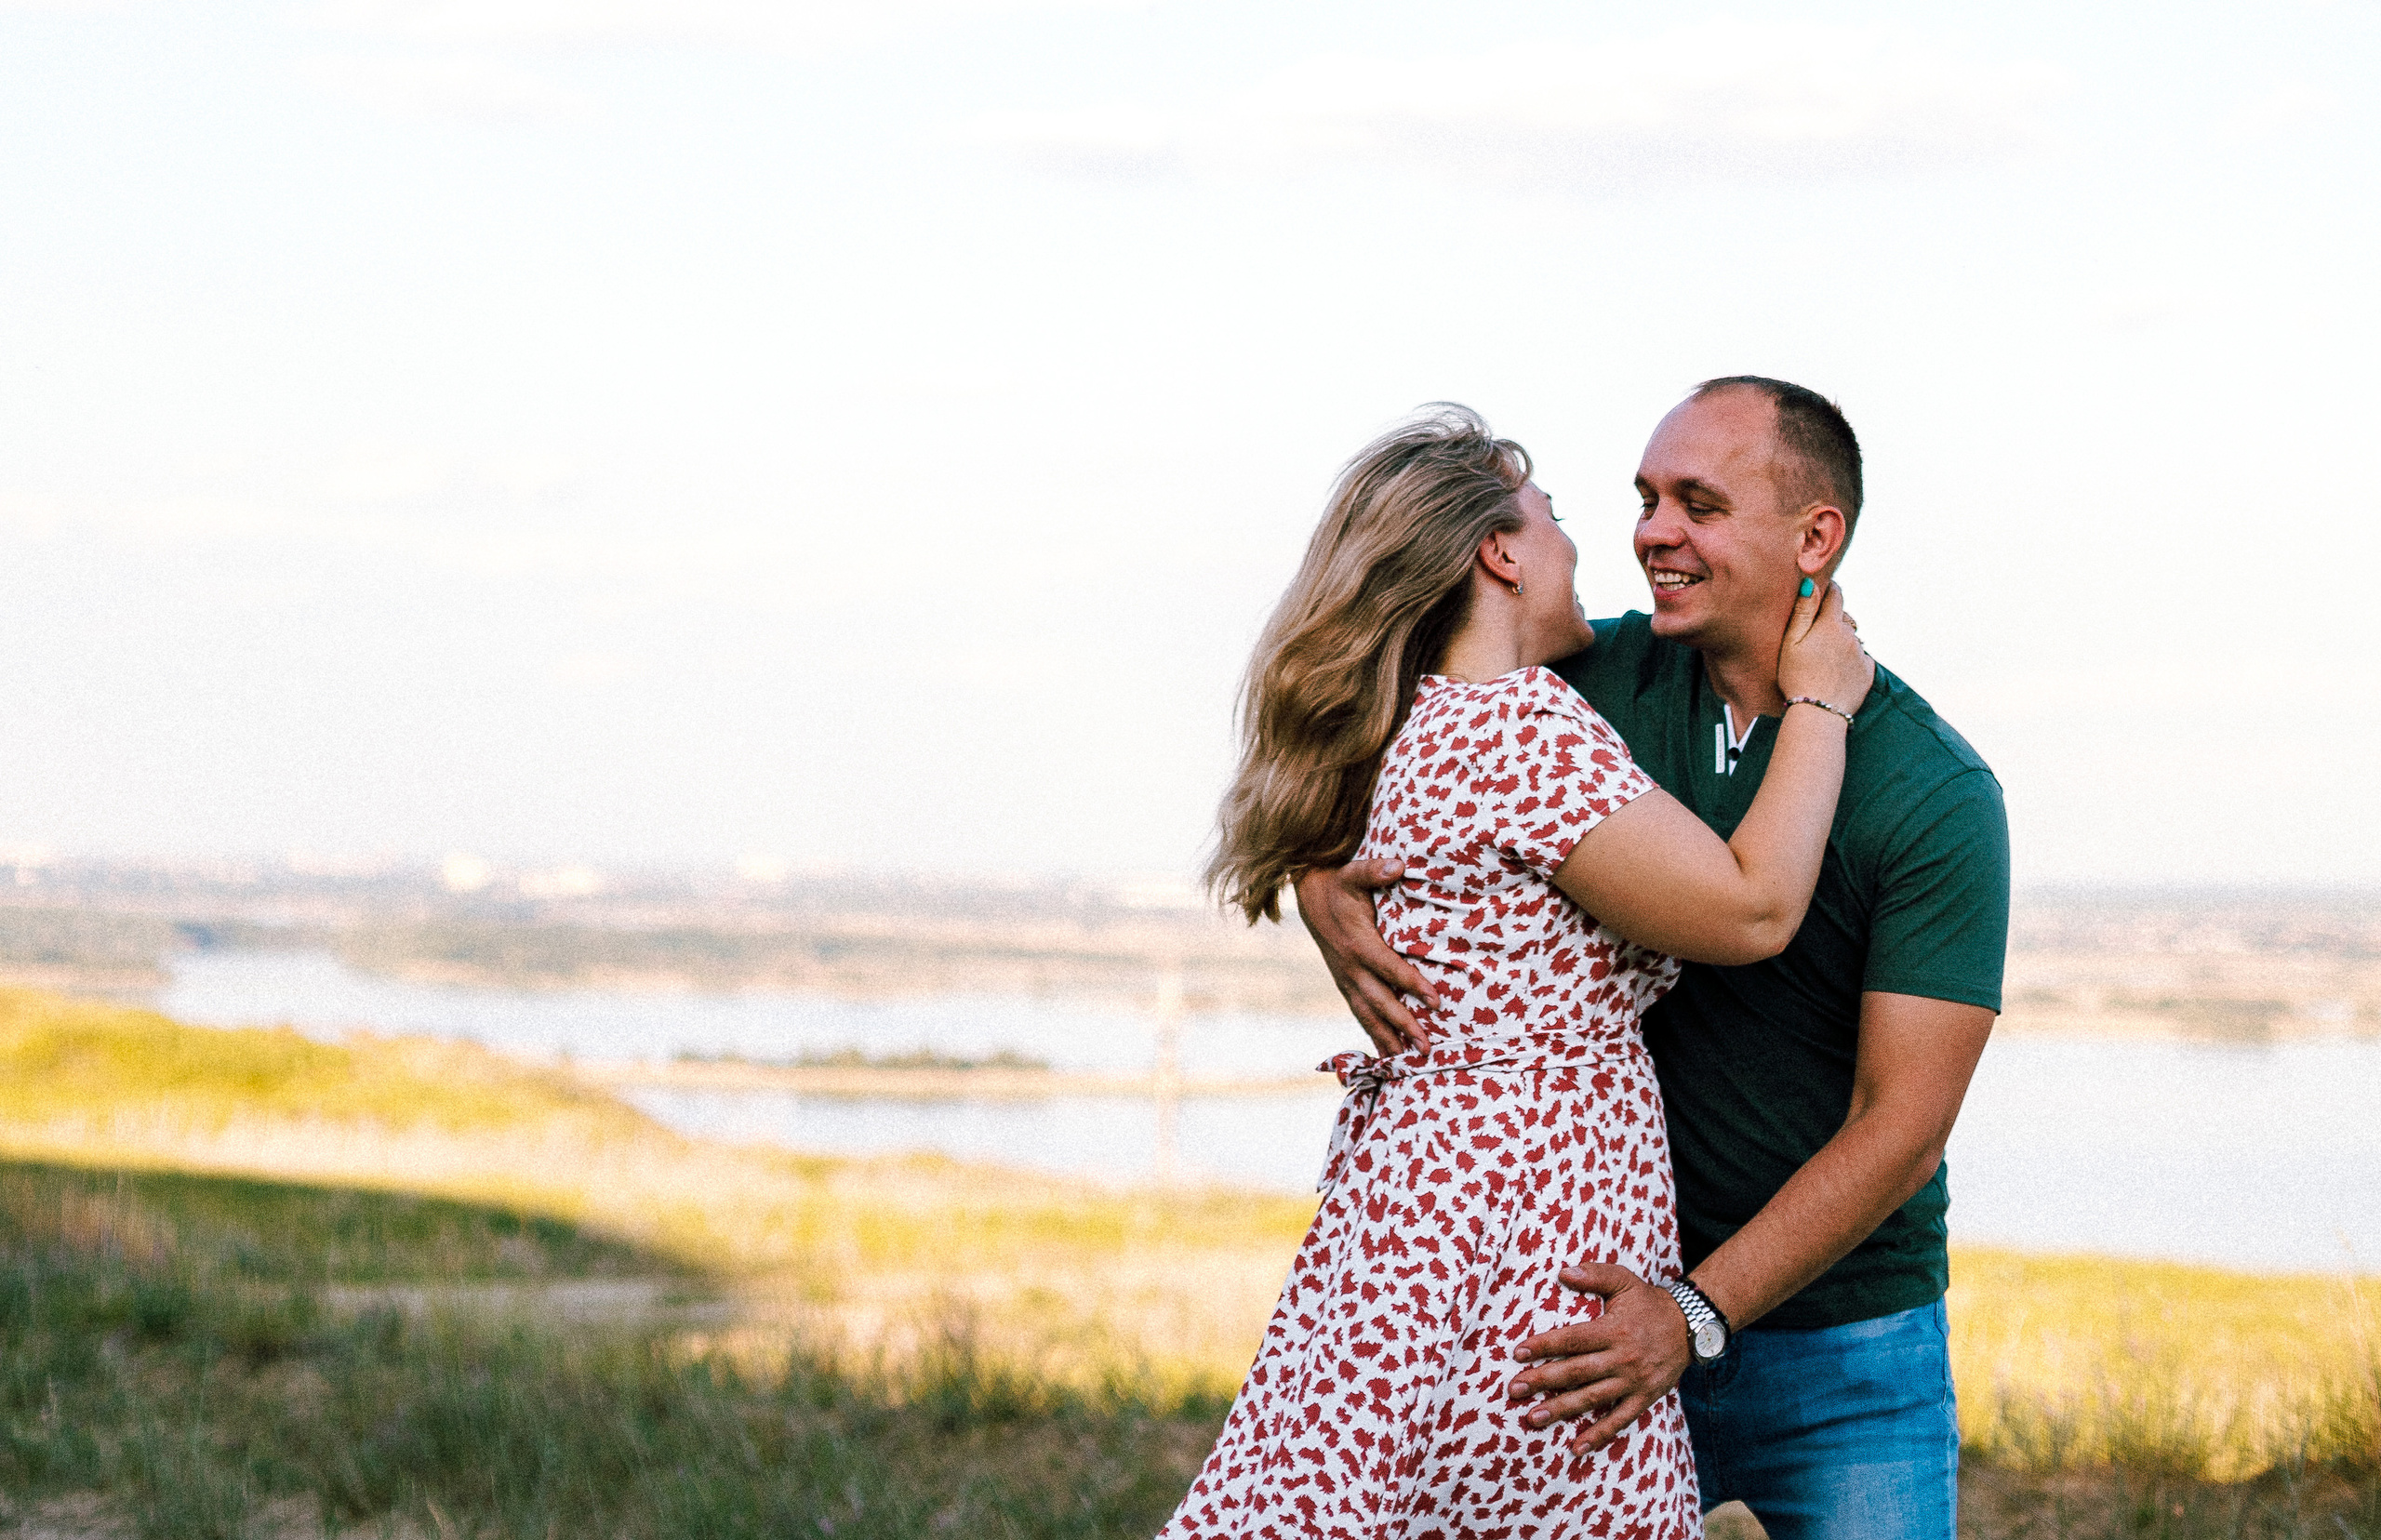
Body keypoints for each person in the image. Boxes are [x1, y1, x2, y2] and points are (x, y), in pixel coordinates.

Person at [1296, 378, 2009, 1540]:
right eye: (1642, 499)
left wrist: (1692, 1313)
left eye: (1699, 504)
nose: (1650, 534)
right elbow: (1364, 723)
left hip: (1843, 1349)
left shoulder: (1934, 790)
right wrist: (1322, 876)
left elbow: (1903, 1123)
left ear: (1814, 537)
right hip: (1581, 1325)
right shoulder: (1580, 683)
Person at [1160, 405, 1871, 1539]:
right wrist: (1824, 704)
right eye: (1556, 520)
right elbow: (1751, 908)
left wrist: (1314, 877)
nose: (1588, 548)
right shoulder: (1520, 731)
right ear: (1499, 552)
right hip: (1520, 1237)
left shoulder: (1418, 724)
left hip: (1421, 1222)